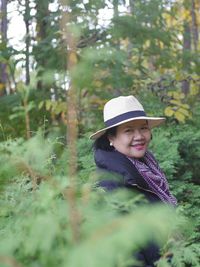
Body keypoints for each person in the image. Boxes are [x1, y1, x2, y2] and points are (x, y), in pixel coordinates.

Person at [90, 95, 177, 267]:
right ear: (111, 138)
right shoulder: (109, 185)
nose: (139, 136)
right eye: (128, 130)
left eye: (143, 128)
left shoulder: (147, 169)